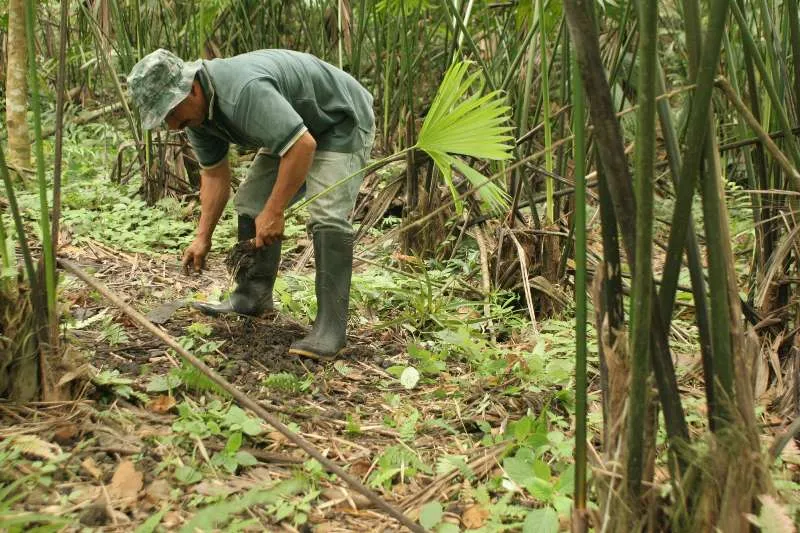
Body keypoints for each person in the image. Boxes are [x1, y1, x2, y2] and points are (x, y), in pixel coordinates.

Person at [127, 49, 375, 361]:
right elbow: (215, 176)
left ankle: (330, 330)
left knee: (327, 213)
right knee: (252, 201)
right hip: (296, 128)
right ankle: (251, 296)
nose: (174, 125)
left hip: (340, 119)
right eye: (165, 119)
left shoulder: (242, 92)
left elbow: (302, 145)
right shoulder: (196, 116)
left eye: (171, 113)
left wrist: (275, 210)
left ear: (192, 88)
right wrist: (203, 237)